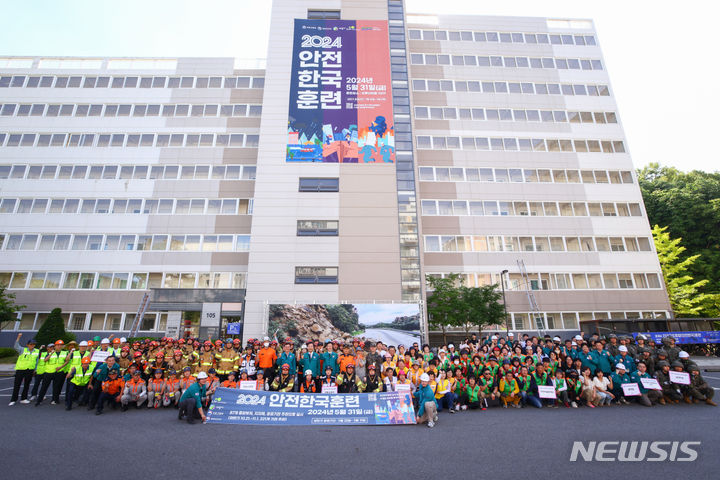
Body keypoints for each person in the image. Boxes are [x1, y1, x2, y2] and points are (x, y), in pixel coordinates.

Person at [9, 334, 39, 406]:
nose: (32, 345)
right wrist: (18, 338)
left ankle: (23, 398)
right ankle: (13, 399)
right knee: (17, 385)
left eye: (34, 344)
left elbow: (37, 361)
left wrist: (35, 369)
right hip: (20, 369)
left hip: (30, 370)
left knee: (27, 385)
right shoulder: (23, 349)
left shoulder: (37, 351)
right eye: (31, 344)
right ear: (27, 345)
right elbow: (16, 346)